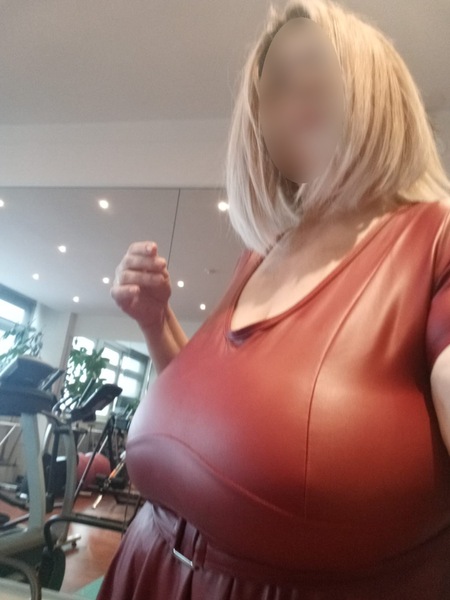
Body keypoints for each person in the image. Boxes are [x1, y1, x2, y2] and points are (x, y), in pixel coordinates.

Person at [97, 0, 450, 598]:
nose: (296, 87)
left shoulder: (435, 237)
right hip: (144, 570)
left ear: (378, 85)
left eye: (318, 62)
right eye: (275, 82)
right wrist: (157, 324)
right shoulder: (260, 255)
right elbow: (217, 418)